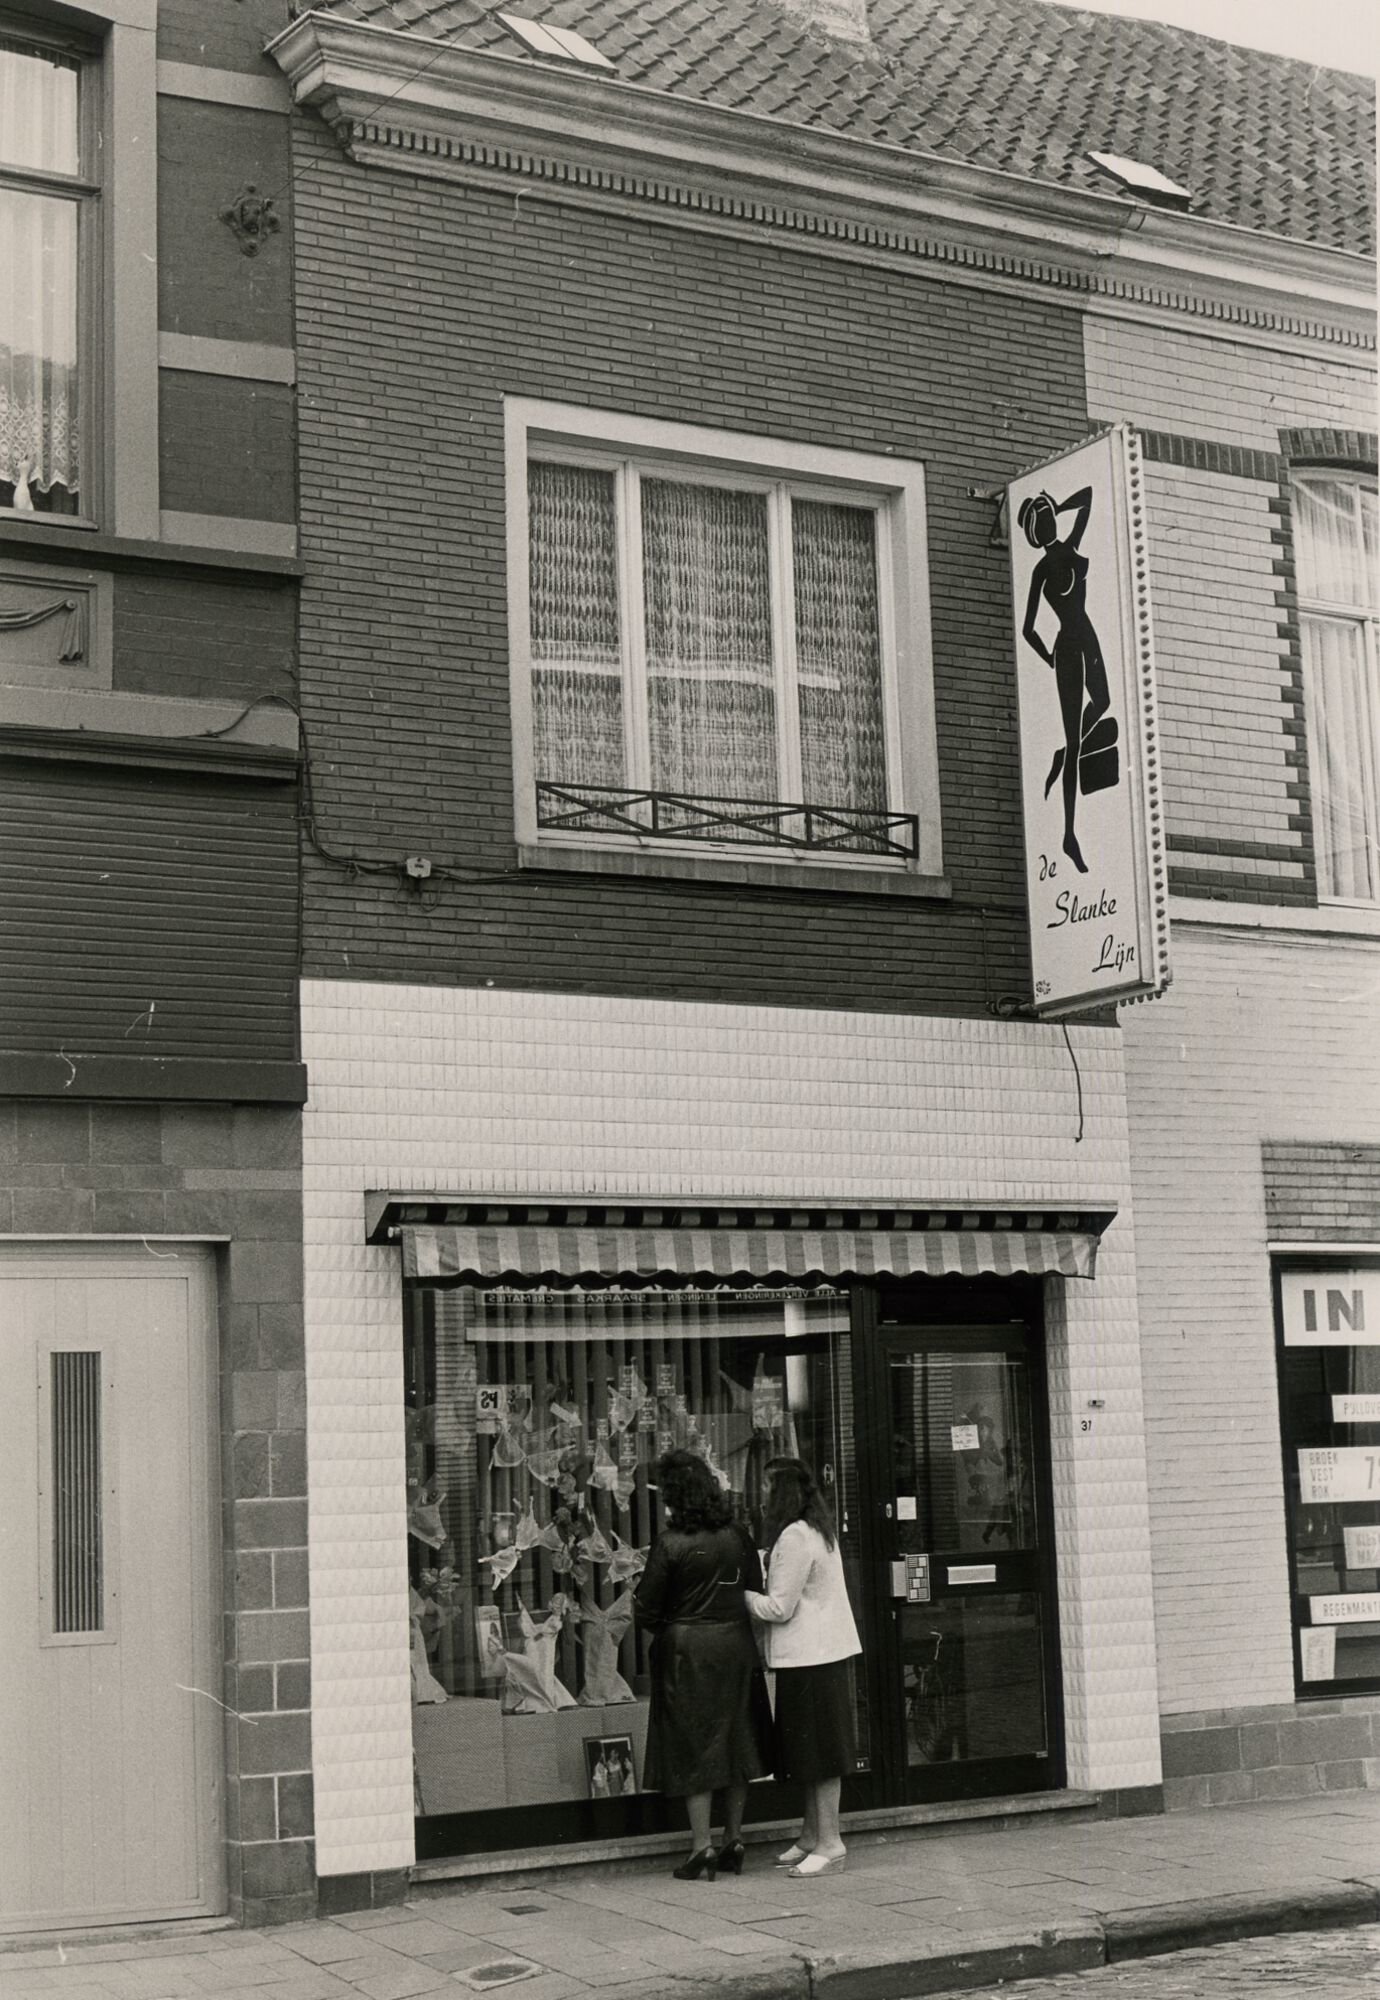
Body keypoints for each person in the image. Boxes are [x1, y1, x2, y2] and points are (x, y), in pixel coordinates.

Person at [634, 1449, 773, 1880]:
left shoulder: (671, 1542)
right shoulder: (738, 1536)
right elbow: (755, 1587)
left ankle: (701, 1848)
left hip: (687, 1651)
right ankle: (734, 1838)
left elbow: (647, 1608)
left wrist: (673, 1626)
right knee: (738, 1741)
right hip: (734, 1644)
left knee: (695, 1747)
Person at [746, 1457, 861, 1878]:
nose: (758, 1493)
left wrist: (741, 1596)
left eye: (764, 1486)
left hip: (810, 1657)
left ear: (780, 1494)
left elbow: (778, 1607)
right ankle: (812, 1834)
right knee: (811, 1752)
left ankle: (830, 1843)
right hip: (819, 1655)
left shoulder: (794, 1536)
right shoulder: (816, 1530)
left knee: (820, 1753)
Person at [1017, 485, 1113, 876]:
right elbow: (1027, 628)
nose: (1052, 516)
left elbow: (1089, 495)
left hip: (1085, 638)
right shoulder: (1044, 567)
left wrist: (1059, 501)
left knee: (1103, 702)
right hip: (1071, 649)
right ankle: (1069, 834)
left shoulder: (1070, 546)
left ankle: (1060, 756)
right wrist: (1050, 657)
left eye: (1050, 511)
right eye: (1046, 514)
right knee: (1075, 742)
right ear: (1041, 527)